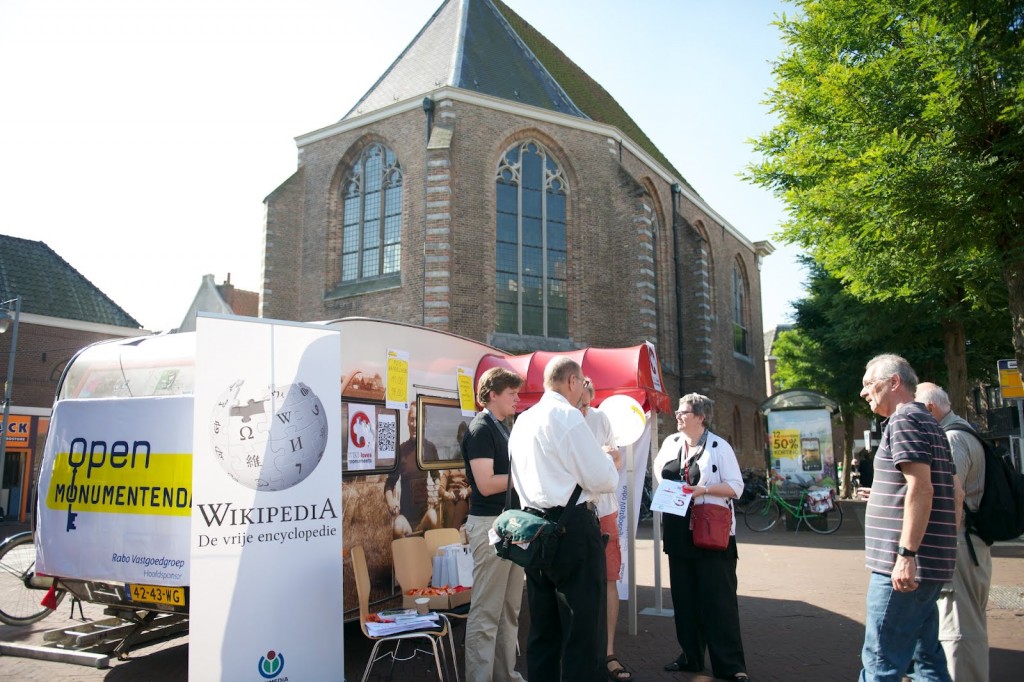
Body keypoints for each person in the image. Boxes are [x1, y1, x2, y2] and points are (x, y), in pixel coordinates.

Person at [508, 357, 619, 682]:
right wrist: (608, 459)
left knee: (543, 632)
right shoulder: (567, 416)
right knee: (583, 631)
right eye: (583, 385)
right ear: (572, 381)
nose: (582, 392)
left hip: (534, 530)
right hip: (572, 531)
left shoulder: (523, 420)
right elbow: (603, 479)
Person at [858, 354, 957, 682]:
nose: (864, 393)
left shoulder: (904, 420)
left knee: (880, 663)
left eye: (869, 384)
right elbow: (948, 490)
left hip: (901, 570)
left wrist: (907, 556)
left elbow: (921, 488)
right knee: (926, 660)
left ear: (894, 382)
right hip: (927, 565)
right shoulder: (930, 422)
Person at [653, 394, 750, 682]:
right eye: (678, 412)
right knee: (684, 600)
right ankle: (691, 657)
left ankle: (731, 665)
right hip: (678, 530)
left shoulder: (720, 447)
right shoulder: (671, 443)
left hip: (711, 533)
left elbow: (736, 487)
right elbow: (660, 473)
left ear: (700, 417)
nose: (678, 417)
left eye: (684, 413)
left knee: (718, 600)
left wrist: (703, 490)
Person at [915, 382, 989, 681]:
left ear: (930, 409)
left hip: (959, 543)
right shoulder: (961, 432)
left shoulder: (952, 439)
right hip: (967, 542)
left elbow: (950, 494)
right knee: (962, 624)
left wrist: (942, 545)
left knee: (958, 629)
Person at [462, 366, 526, 682]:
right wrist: (525, 477)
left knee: (509, 610)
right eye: (511, 393)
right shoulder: (479, 430)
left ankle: (505, 675)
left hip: (508, 525)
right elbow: (485, 484)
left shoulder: (502, 427)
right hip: (490, 525)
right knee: (487, 612)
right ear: (492, 395)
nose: (517, 398)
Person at [578, 379, 632, 682]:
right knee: (580, 582)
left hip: (605, 509)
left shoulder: (600, 419)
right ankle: (582, 651)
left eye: (587, 403)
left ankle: (609, 651)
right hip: (576, 511)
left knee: (610, 578)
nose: (584, 409)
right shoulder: (564, 420)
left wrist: (612, 456)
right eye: (579, 404)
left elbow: (617, 459)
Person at [385, 408, 439, 537]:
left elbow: (436, 477)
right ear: (407, 421)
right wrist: (391, 503)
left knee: (432, 516)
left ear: (423, 422)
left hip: (424, 517)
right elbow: (389, 484)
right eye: (412, 419)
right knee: (397, 526)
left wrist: (437, 492)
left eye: (418, 420)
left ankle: (429, 554)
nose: (414, 424)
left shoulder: (430, 448)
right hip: (406, 520)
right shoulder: (401, 450)